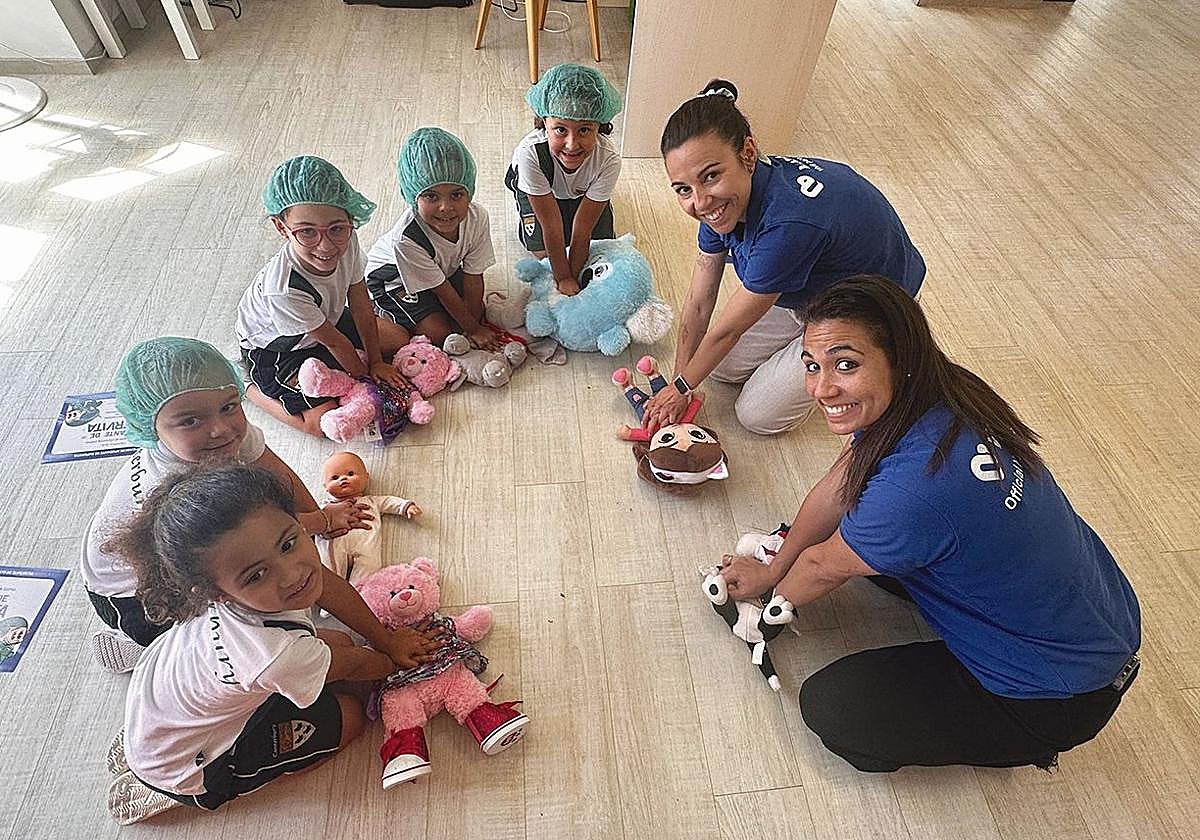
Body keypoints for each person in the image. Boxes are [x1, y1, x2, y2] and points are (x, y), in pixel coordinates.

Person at [719, 276, 1141, 772]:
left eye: (846, 365)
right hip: (1105, 613)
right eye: (812, 366)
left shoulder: (913, 489)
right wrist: (781, 563)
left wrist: (771, 586)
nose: (821, 388)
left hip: (1058, 695)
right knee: (869, 532)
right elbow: (841, 486)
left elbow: (821, 566)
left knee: (832, 707)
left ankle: (1022, 740)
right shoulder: (943, 391)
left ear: (899, 358)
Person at [102, 465, 440, 824]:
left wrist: (386, 639)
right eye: (257, 575)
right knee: (352, 714)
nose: (293, 572)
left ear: (296, 522)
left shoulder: (229, 584)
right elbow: (357, 666)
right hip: (198, 766)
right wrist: (395, 662)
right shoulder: (275, 654)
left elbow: (327, 587)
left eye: (289, 543)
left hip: (164, 696)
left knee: (336, 642)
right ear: (215, 593)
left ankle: (158, 741)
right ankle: (173, 786)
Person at [644, 79, 926, 436]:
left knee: (756, 416)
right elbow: (700, 303)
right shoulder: (720, 207)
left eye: (711, 176)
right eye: (684, 189)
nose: (699, 203)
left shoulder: (788, 226)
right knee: (718, 368)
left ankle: (887, 357)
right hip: (815, 284)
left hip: (872, 307)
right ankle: (803, 341)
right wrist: (679, 384)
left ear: (748, 153)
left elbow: (728, 329)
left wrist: (681, 388)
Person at [82, 337, 374, 675]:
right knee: (263, 643)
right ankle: (150, 648)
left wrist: (322, 522)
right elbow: (251, 544)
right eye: (191, 421)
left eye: (229, 406)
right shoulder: (183, 492)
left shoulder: (228, 436)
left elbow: (281, 480)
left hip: (185, 553)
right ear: (150, 426)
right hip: (131, 598)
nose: (221, 429)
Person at [236, 155, 410, 437]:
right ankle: (252, 388)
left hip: (324, 321)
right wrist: (367, 383)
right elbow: (335, 342)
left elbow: (361, 303)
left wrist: (376, 361)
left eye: (336, 229)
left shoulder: (348, 239)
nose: (326, 245)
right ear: (281, 227)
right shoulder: (284, 289)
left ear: (349, 220)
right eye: (306, 232)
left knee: (398, 338)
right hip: (278, 350)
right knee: (321, 421)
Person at [365, 127, 502, 352]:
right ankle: (375, 311)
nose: (446, 208)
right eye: (431, 196)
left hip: (438, 270)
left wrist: (473, 322)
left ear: (470, 191)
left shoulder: (478, 217)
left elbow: (474, 276)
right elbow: (442, 290)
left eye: (457, 195)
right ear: (413, 196)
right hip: (391, 277)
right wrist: (474, 330)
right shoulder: (406, 239)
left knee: (476, 311)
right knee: (438, 333)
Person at [506, 63, 623, 296]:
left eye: (584, 130)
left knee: (598, 250)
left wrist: (576, 275)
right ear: (544, 124)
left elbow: (583, 227)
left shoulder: (608, 160)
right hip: (540, 187)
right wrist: (563, 278)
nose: (571, 144)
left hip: (578, 191)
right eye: (560, 129)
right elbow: (551, 224)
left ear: (599, 127)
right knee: (544, 255)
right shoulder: (530, 155)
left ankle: (573, 198)